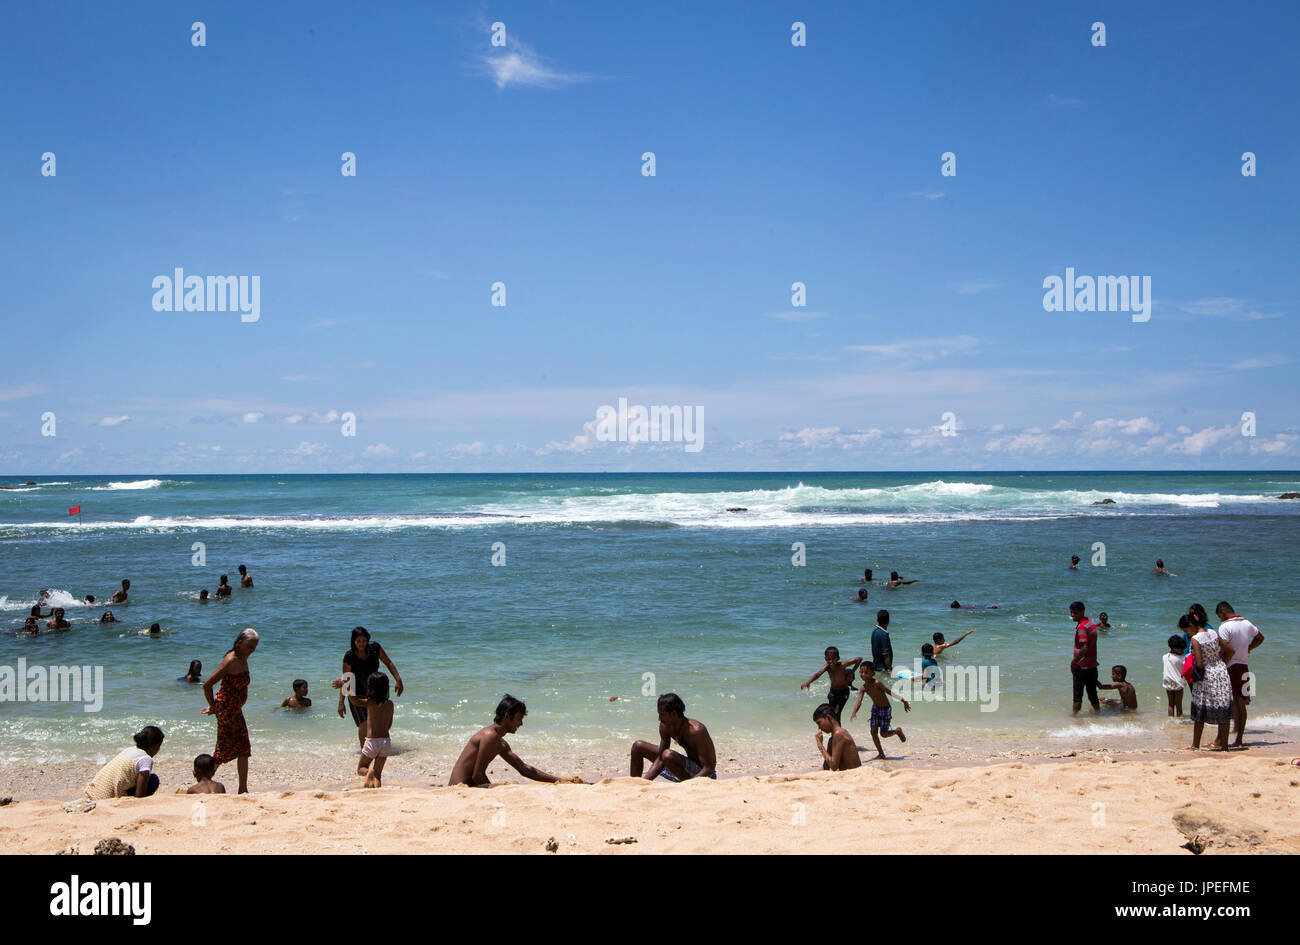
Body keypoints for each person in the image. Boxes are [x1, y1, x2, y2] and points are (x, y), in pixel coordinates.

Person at [448, 694, 580, 786]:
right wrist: (496, 789)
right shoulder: (489, 736)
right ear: (507, 716)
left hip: (470, 786)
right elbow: (477, 776)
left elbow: (524, 769)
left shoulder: (500, 743)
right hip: (458, 789)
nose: (521, 723)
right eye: (519, 718)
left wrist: (560, 780)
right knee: (506, 786)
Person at [202, 627, 259, 793]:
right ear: (239, 643)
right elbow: (207, 685)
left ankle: (242, 788)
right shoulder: (231, 660)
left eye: (255, 647)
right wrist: (214, 706)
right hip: (227, 711)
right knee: (223, 750)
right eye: (250, 646)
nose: (252, 650)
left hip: (235, 710)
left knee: (242, 749)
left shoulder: (243, 657)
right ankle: (203, 783)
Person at [333, 627, 404, 749]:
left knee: (377, 721)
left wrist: (398, 679)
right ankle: (364, 750)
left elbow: (388, 662)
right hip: (355, 693)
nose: (361, 644)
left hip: (374, 691)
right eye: (358, 641)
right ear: (353, 641)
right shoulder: (350, 656)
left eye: (364, 640)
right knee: (364, 723)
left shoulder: (374, 648)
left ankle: (379, 746)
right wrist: (341, 702)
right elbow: (346, 679)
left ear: (368, 640)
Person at [629, 692, 718, 782]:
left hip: (704, 776)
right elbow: (660, 758)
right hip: (683, 772)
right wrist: (644, 782)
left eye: (662, 714)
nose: (659, 718)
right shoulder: (665, 726)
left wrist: (690, 784)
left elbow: (709, 769)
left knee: (668, 755)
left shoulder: (697, 730)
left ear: (674, 714)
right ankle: (633, 784)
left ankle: (685, 784)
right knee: (638, 746)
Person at [1215, 602, 1264, 748]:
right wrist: (1248, 648)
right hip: (1243, 666)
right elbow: (1260, 638)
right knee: (1241, 704)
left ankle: (1219, 739)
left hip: (1229, 667)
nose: (1220, 619)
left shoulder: (1225, 627)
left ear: (1222, 613)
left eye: (1219, 617)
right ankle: (1239, 739)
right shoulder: (1247, 623)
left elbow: (1224, 649)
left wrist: (1219, 666)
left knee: (1224, 704)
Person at [1189, 617, 1234, 751]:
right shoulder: (1213, 632)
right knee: (1223, 708)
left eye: (1186, 630)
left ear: (1191, 625)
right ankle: (1225, 746)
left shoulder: (1196, 639)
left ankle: (1195, 745)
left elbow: (1199, 663)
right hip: (1221, 672)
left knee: (1200, 710)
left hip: (1206, 676)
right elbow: (1230, 651)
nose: (1187, 633)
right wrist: (1221, 665)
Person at [84, 726, 164, 800]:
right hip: (107, 798)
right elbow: (140, 795)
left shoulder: (129, 750)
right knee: (153, 779)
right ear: (155, 746)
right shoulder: (146, 759)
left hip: (93, 793)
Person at [849, 664, 909, 758]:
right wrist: (854, 713)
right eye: (861, 672)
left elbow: (889, 692)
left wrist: (903, 700)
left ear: (872, 673)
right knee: (873, 732)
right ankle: (881, 753)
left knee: (883, 734)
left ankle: (897, 731)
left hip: (885, 709)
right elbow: (859, 701)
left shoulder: (877, 683)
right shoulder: (863, 688)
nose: (863, 674)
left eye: (866, 672)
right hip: (875, 709)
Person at [346, 672, 393, 787]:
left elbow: (354, 701)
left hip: (372, 742)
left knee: (361, 768)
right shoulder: (390, 704)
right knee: (378, 774)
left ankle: (368, 773)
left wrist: (347, 688)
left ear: (370, 687)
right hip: (386, 741)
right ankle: (376, 790)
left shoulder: (370, 702)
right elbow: (389, 724)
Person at [801, 646, 862, 723]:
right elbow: (818, 674)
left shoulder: (842, 665)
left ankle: (837, 733)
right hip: (833, 692)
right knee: (832, 714)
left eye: (833, 658)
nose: (831, 661)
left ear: (838, 658)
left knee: (837, 713)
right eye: (828, 659)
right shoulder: (827, 667)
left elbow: (859, 659)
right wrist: (808, 682)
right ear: (825, 659)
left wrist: (852, 673)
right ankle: (835, 733)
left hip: (843, 692)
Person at [1069, 601, 1100, 714]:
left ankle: (1074, 719)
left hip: (1081, 667)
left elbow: (1084, 648)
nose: (1072, 615)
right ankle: (1099, 715)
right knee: (1093, 695)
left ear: (1082, 612)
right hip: (1092, 666)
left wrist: (1074, 662)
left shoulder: (1082, 627)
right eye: (1071, 612)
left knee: (1077, 697)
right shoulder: (1091, 623)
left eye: (1075, 613)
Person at [813, 703, 861, 771]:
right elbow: (826, 766)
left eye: (819, 723)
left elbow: (833, 766)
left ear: (828, 717)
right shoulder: (832, 739)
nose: (819, 728)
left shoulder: (839, 734)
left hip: (855, 776)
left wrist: (820, 745)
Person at [1163, 635, 1187, 718]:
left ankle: (1171, 720)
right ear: (1174, 648)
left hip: (1167, 681)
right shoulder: (1182, 658)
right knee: (1178, 704)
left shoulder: (1165, 657)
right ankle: (1179, 719)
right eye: (1181, 649)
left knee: (1171, 704)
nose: (1182, 651)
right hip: (1178, 682)